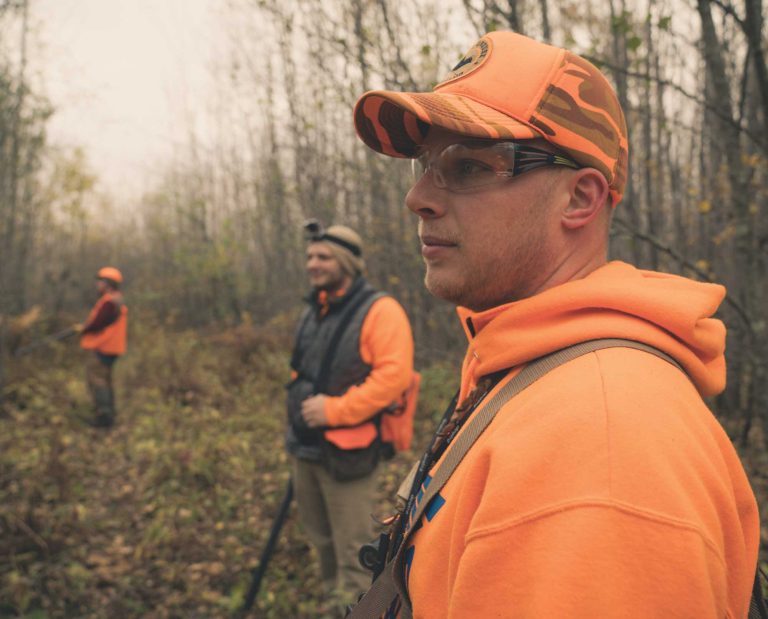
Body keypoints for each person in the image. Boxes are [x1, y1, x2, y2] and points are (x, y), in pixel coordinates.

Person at [350, 31, 760, 617]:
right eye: (424, 166)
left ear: (580, 199)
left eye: (466, 166)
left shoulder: (599, 446)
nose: (418, 196)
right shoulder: (529, 367)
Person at [286, 221, 414, 613]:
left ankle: (354, 610)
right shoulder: (316, 308)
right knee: (322, 543)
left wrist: (333, 411)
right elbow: (302, 370)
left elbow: (393, 379)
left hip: (349, 456)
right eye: (310, 256)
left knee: (351, 552)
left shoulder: (380, 310)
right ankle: (333, 608)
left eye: (323, 257)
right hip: (305, 449)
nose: (313, 264)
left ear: (346, 262)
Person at [75, 266, 128, 428]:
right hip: (111, 348)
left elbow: (98, 323)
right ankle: (109, 415)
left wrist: (83, 328)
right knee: (105, 380)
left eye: (100, 281)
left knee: (98, 382)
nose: (97, 285)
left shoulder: (108, 302)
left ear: (108, 284)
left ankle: (104, 419)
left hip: (103, 347)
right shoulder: (117, 299)